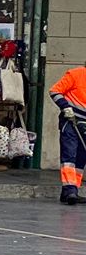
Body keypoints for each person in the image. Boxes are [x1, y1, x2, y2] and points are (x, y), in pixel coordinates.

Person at [55, 60, 86, 205]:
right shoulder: (75, 74)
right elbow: (55, 91)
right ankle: (70, 190)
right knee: (69, 155)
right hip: (70, 121)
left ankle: (69, 191)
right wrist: (65, 106)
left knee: (81, 158)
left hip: (84, 124)